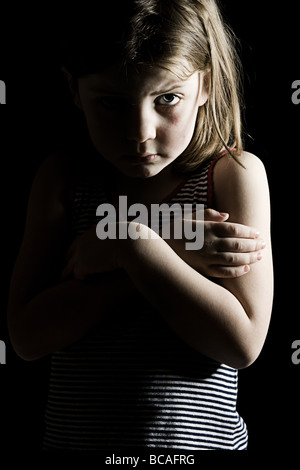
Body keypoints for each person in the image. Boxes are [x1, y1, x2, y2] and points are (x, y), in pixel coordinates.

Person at [7, 0, 273, 450]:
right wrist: (160, 245)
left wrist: (131, 244)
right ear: (74, 89)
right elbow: (28, 338)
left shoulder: (232, 176)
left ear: (204, 85)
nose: (139, 131)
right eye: (112, 103)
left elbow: (242, 343)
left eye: (167, 98)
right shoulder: (65, 180)